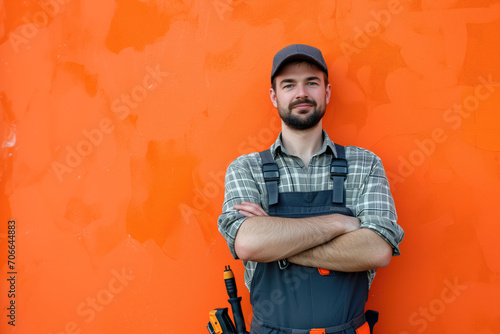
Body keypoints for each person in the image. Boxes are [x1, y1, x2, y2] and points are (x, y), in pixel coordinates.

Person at [217, 44, 404, 334]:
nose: (301, 93)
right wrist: (340, 223)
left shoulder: (364, 164)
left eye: (311, 83)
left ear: (326, 92)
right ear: (274, 96)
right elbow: (249, 244)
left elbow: (377, 250)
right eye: (289, 84)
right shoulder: (246, 169)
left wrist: (275, 239)